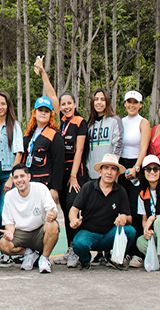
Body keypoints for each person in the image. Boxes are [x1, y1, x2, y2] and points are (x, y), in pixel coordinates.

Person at [36, 63, 88, 268]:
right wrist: (43, 72)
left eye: (69, 103)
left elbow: (80, 150)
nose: (65, 106)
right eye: (63, 104)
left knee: (74, 211)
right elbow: (51, 95)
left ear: (75, 104)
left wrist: (74, 176)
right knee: (66, 212)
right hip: (62, 176)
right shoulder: (61, 122)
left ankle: (79, 251)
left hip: (76, 175)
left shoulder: (79, 122)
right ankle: (71, 250)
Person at [69, 153, 136, 270]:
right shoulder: (88, 187)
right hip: (89, 234)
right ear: (100, 171)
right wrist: (73, 219)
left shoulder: (120, 191)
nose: (109, 172)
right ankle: (85, 261)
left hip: (110, 234)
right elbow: (74, 209)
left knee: (130, 231)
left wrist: (124, 218)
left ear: (117, 174)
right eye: (106, 168)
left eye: (113, 169)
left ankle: (116, 259)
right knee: (79, 243)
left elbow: (129, 218)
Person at [0, 91, 24, 266]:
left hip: (7, 171)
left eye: (3, 104)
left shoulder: (14, 126)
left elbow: (18, 153)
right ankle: (4, 252)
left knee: (5, 211)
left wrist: (11, 178)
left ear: (8, 106)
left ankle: (13, 249)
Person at [0, 164, 60, 273]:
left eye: (22, 176)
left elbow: (53, 211)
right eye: (16, 177)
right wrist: (10, 233)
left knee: (53, 225)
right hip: (22, 233)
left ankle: (44, 258)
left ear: (29, 177)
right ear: (12, 180)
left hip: (39, 232)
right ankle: (29, 254)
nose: (19, 180)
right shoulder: (9, 196)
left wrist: (52, 215)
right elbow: (9, 223)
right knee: (3, 244)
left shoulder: (40, 188)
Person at [118, 90, 151, 263]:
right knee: (123, 208)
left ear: (140, 104)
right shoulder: (120, 121)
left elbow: (144, 148)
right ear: (125, 103)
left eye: (135, 102)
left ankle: (138, 252)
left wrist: (136, 168)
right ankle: (124, 251)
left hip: (136, 166)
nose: (131, 105)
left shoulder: (143, 122)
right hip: (121, 167)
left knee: (136, 209)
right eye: (128, 102)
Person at [22, 96, 65, 202]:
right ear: (35, 112)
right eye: (40, 110)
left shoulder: (54, 135)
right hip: (29, 183)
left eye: (46, 111)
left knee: (47, 216)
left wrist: (55, 188)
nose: (43, 113)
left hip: (45, 184)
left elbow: (59, 164)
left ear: (50, 114)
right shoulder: (29, 134)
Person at [85, 88, 124, 180]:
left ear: (107, 102)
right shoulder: (89, 124)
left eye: (102, 99)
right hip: (91, 173)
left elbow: (118, 145)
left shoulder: (115, 120)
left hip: (108, 175)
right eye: (96, 99)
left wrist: (111, 168)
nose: (99, 102)